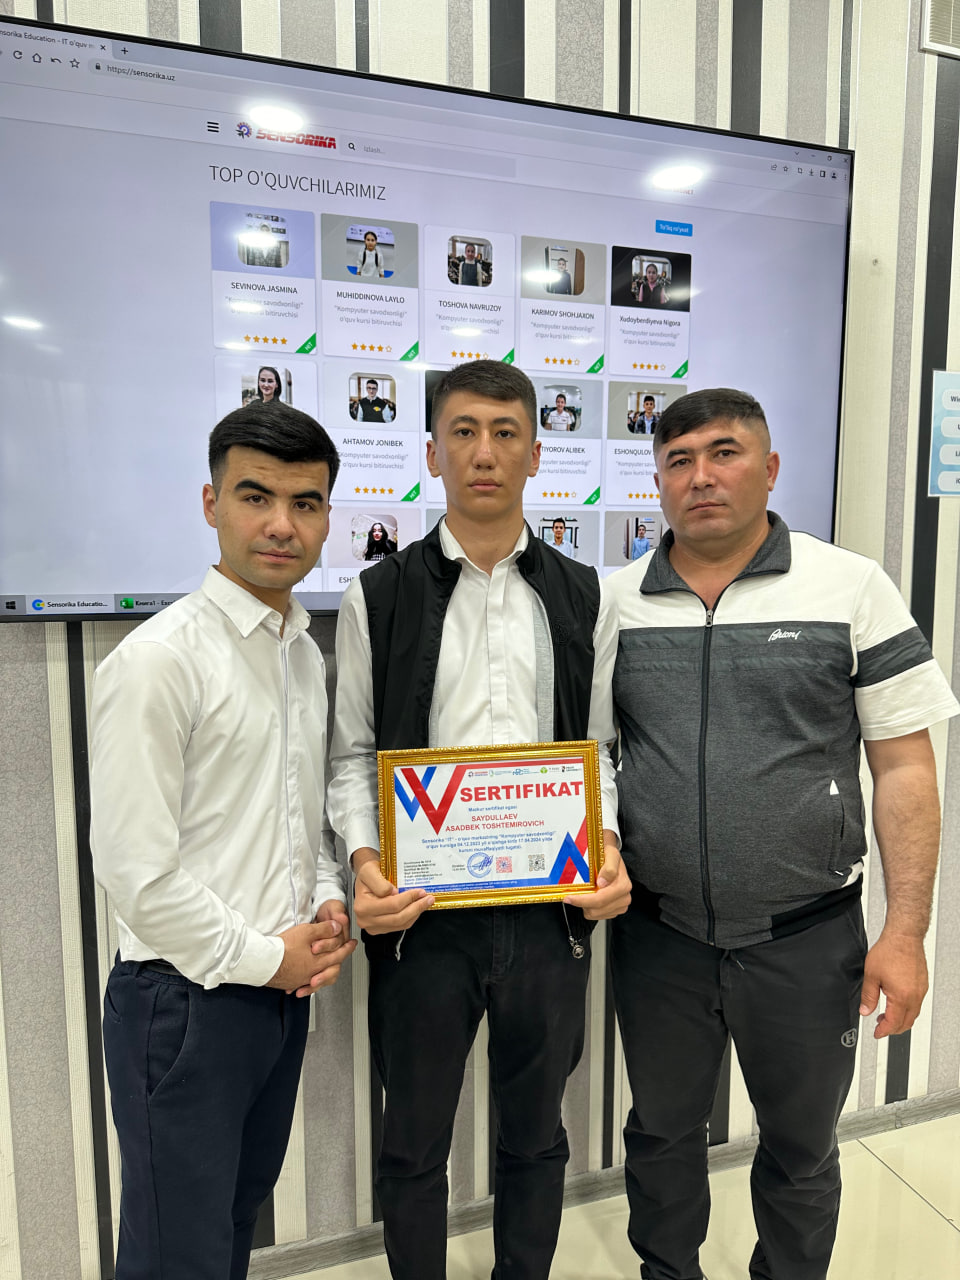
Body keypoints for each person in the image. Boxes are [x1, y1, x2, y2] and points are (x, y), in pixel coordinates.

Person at [606, 388, 959, 1280]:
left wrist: (905, 933)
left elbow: (907, 769)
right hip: (659, 937)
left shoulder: (850, 587)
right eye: (679, 460)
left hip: (807, 938)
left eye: (724, 453)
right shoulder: (615, 604)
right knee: (660, 1134)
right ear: (658, 482)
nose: (701, 476)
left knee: (801, 1149)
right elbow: (591, 759)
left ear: (768, 469)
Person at [328, 359, 631, 1280]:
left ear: (536, 454)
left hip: (549, 915)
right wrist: (367, 860)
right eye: (463, 432)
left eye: (505, 433)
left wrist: (605, 842)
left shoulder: (584, 594)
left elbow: (598, 751)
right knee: (414, 1141)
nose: (484, 452)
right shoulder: (377, 595)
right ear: (433, 452)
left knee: (536, 1136)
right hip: (423, 918)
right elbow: (352, 757)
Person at [90, 400, 357, 1280]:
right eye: (255, 496)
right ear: (211, 504)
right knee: (178, 1253)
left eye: (305, 503)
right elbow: (134, 872)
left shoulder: (301, 652)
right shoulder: (157, 660)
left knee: (233, 1225)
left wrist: (326, 897)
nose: (282, 525)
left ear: (327, 517)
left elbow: (298, 815)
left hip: (276, 998)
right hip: (183, 1003)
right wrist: (266, 958)